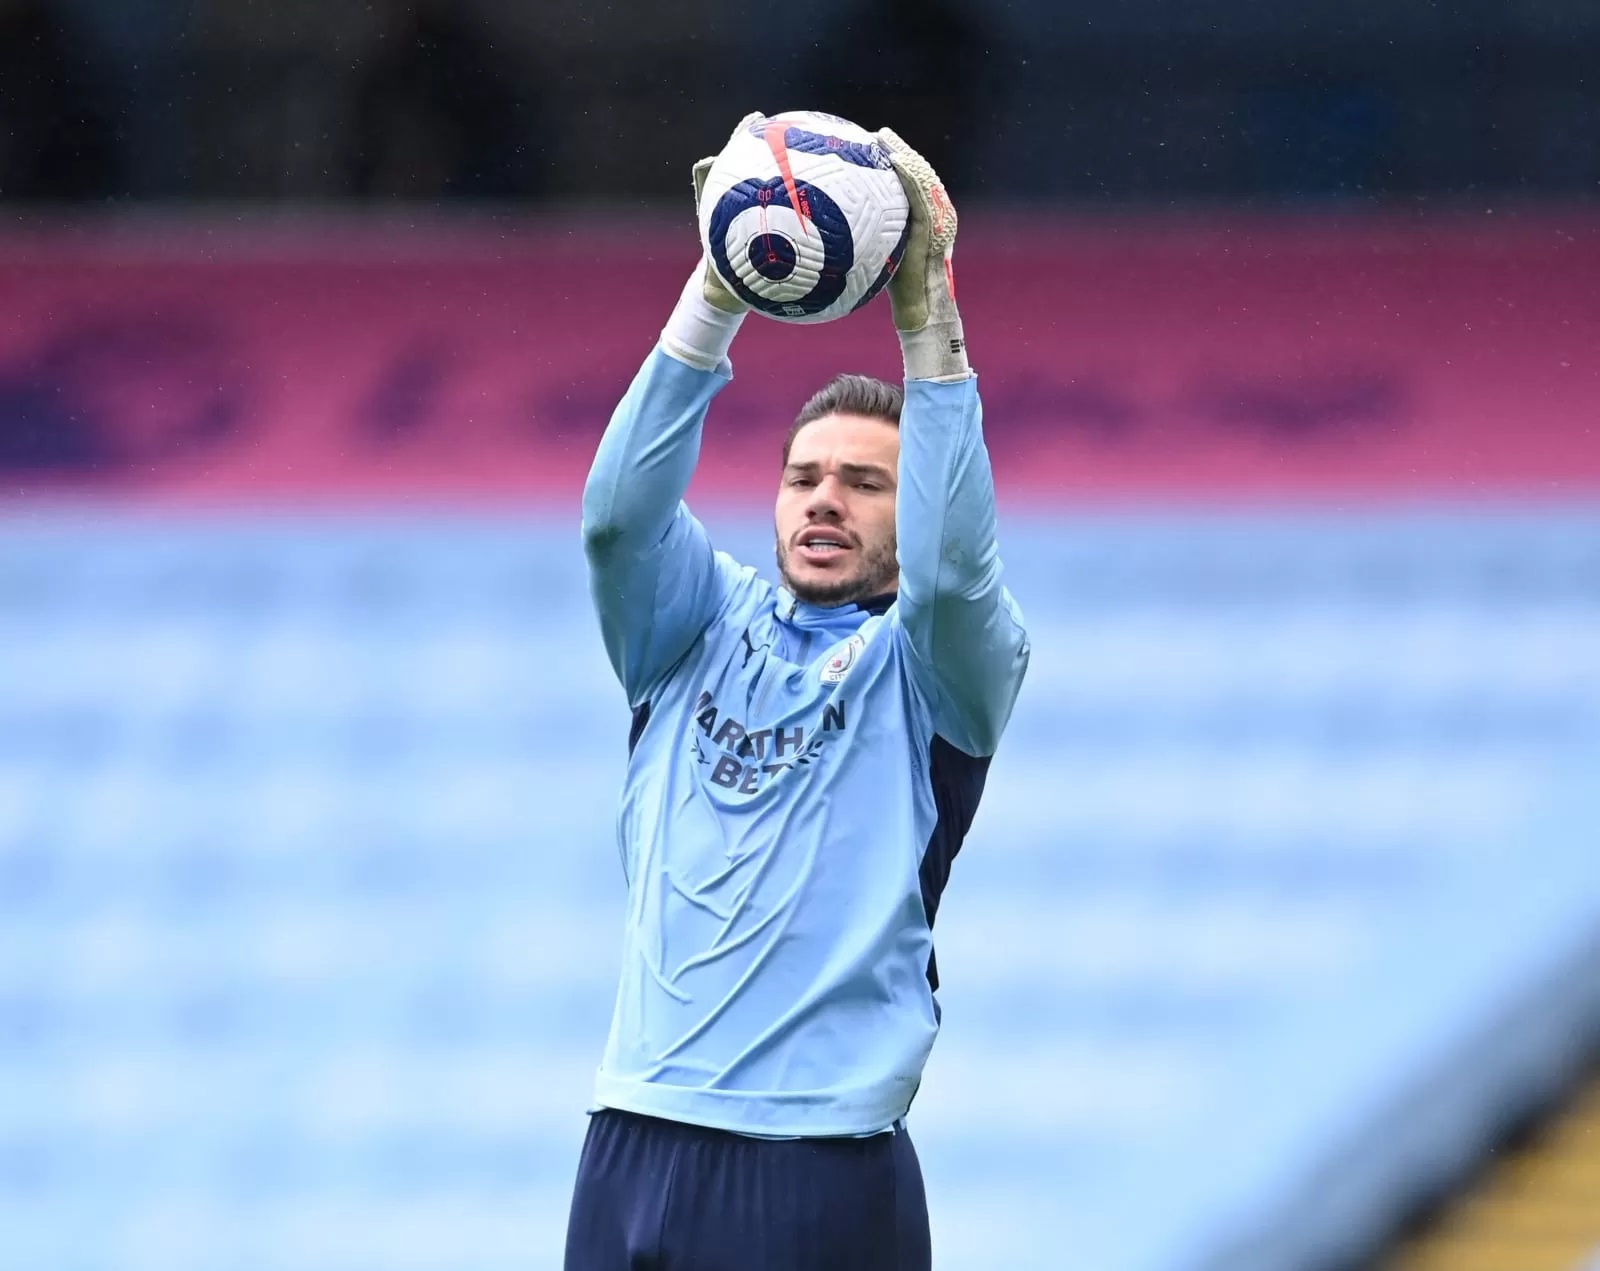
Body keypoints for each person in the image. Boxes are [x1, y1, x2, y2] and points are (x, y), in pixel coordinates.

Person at [567, 117, 1030, 1271]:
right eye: (803, 475)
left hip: (814, 1161)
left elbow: (954, 569)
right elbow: (618, 516)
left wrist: (928, 317)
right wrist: (714, 288)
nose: (824, 499)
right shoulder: (691, 626)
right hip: (630, 1132)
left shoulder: (937, 670)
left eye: (865, 483)